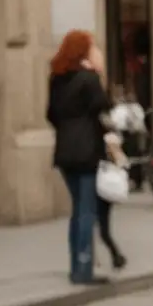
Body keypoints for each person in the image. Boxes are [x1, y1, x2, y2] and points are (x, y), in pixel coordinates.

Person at [47, 30, 113, 284]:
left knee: (78, 210)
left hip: (64, 150)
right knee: (86, 210)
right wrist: (98, 71)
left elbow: (50, 114)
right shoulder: (89, 79)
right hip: (87, 151)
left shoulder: (57, 79)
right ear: (84, 51)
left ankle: (76, 263)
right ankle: (83, 269)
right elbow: (103, 110)